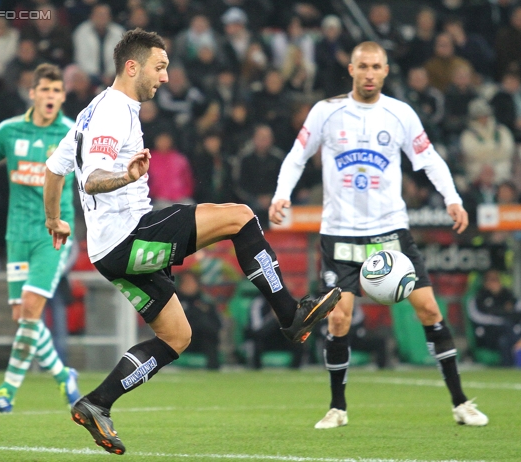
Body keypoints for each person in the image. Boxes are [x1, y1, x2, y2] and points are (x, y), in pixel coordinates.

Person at [43, 28, 340, 455]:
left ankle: (96, 403)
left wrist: (55, 219)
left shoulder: (91, 111)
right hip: (129, 235)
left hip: (108, 252)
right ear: (133, 66)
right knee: (241, 217)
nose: (164, 78)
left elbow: (55, 170)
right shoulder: (112, 111)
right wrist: (124, 177)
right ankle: (289, 315)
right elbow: (90, 178)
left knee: (177, 337)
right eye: (159, 67)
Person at [269, 41, 489, 429]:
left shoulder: (400, 114)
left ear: (386, 71)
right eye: (363, 66)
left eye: (376, 66)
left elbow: (429, 159)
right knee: (339, 319)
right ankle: (337, 407)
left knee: (431, 311)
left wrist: (452, 198)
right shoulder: (326, 112)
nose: (370, 73)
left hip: (390, 231)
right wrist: (281, 195)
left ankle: (460, 403)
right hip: (340, 235)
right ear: (351, 69)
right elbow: (296, 156)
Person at [0, 63, 81, 413]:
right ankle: (63, 375)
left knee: (30, 308)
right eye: (45, 90)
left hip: (53, 233)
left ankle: (7, 392)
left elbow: (94, 169)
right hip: (15, 233)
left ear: (62, 96)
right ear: (33, 93)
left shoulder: (72, 133)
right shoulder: (9, 131)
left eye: (57, 91)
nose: (51, 96)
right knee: (21, 314)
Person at [466, 269, 521, 367]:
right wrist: (502, 315)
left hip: (507, 332)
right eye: (491, 280)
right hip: (487, 334)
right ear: (485, 282)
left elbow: (519, 310)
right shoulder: (479, 297)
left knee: (505, 339)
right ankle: (512, 362)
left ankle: (513, 366)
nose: (494, 283)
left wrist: (499, 313)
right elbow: (478, 317)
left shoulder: (507, 295)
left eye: (496, 280)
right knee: (507, 332)